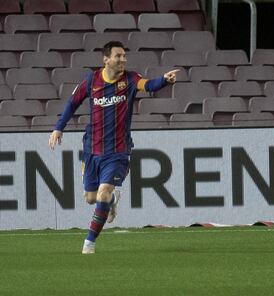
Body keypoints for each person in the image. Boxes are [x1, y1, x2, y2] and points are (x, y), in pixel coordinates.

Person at [49, 41, 179, 254]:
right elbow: (73, 103)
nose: (123, 60)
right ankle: (113, 199)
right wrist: (58, 128)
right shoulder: (92, 80)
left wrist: (164, 81)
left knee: (102, 193)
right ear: (106, 59)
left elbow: (148, 84)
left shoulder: (130, 79)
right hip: (92, 148)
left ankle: (89, 243)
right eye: (118, 56)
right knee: (91, 198)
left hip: (118, 151)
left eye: (124, 56)